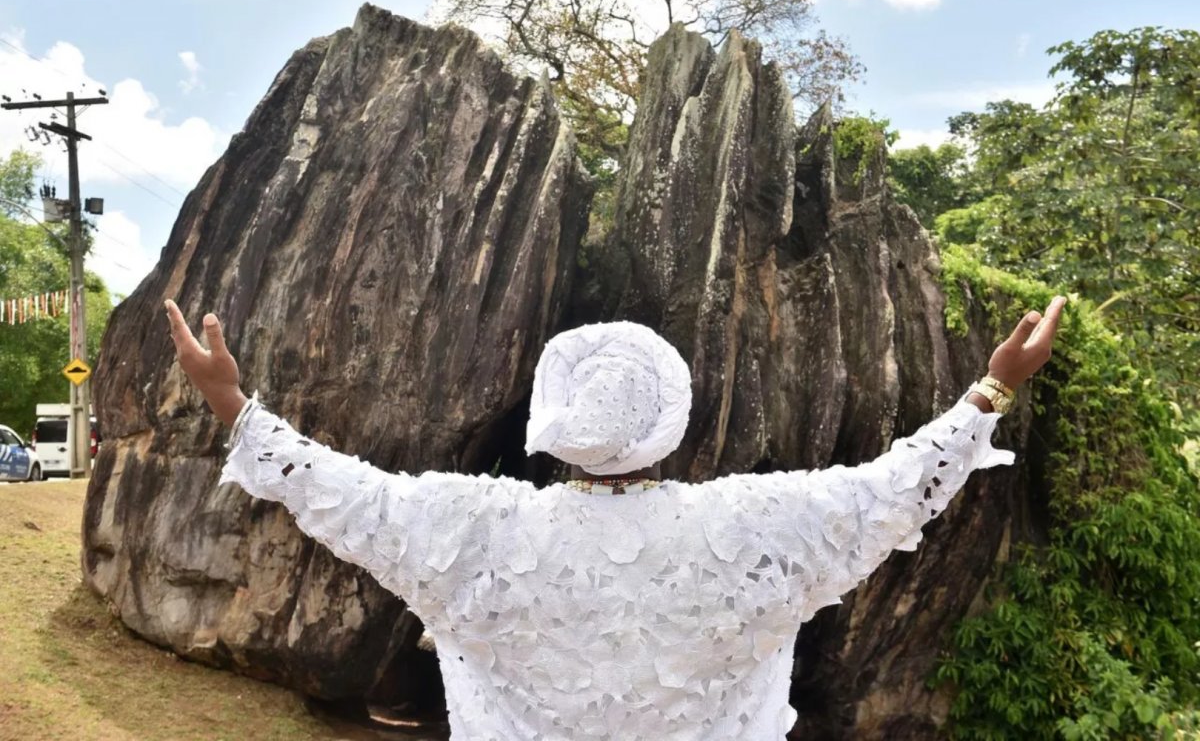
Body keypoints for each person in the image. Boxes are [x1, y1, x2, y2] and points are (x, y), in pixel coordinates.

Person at [165, 295, 1066, 740]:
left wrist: (236, 406)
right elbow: (893, 490)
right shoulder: (758, 523)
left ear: (553, 424)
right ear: (671, 415)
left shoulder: (472, 524)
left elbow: (341, 492)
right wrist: (992, 388)